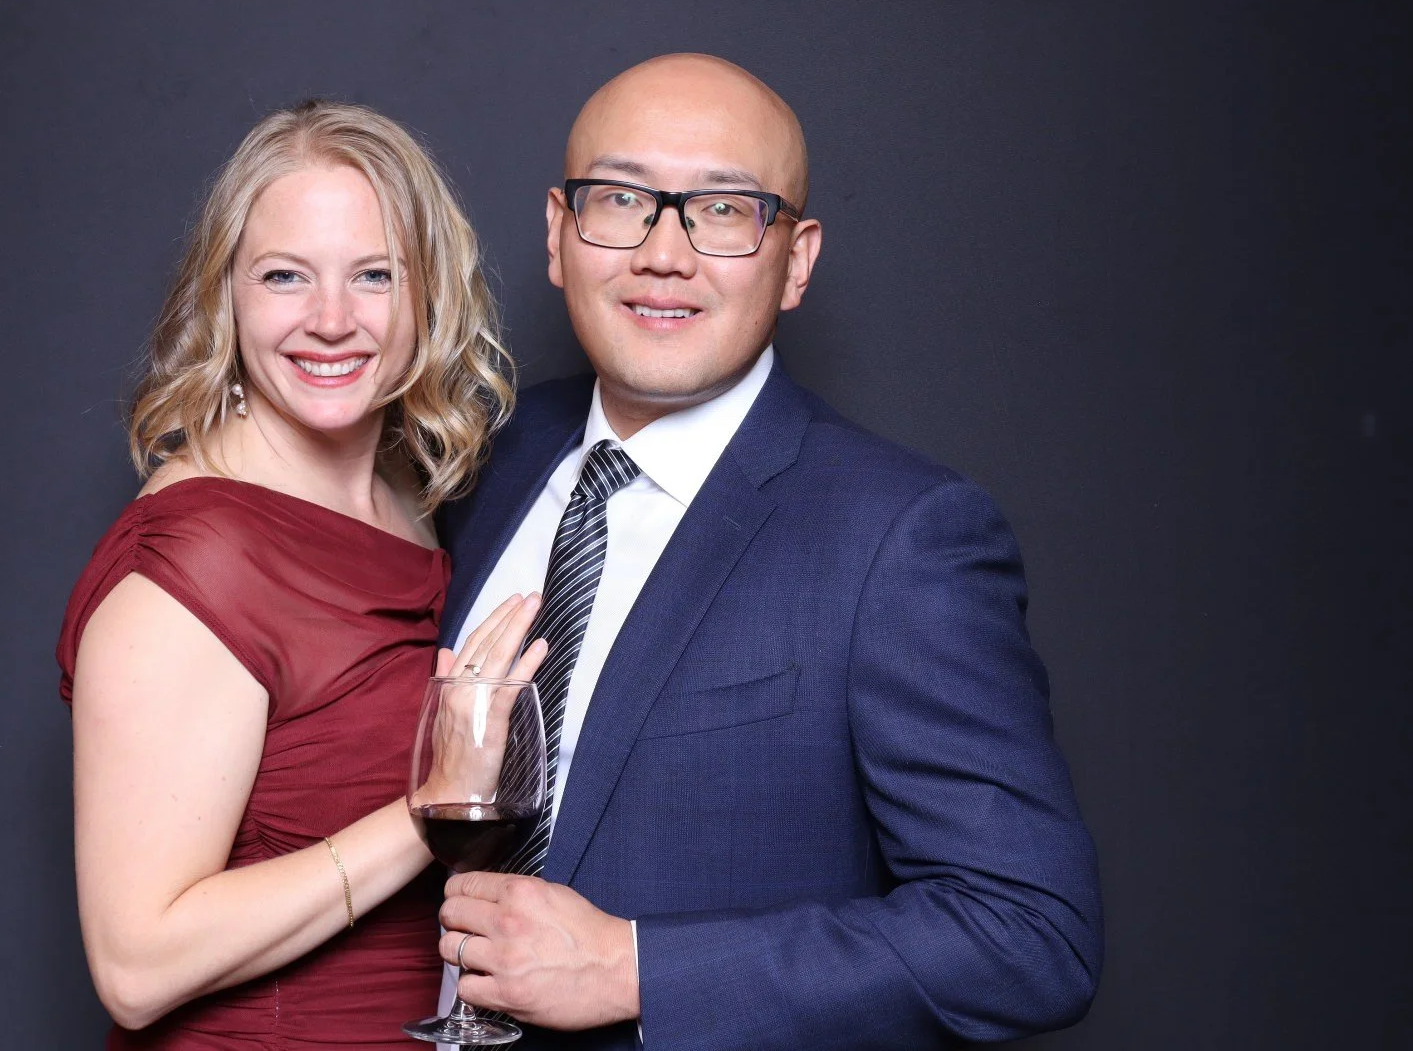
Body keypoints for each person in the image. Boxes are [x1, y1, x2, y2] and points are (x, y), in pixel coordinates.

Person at [430, 55, 1104, 1049]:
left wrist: (638, 969)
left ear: (796, 260)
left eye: (724, 211)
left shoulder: (901, 537)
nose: (665, 253)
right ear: (557, 236)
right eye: (621, 200)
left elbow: (1030, 934)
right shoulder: (482, 460)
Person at [55, 100, 548, 1049]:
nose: (331, 321)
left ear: (428, 298)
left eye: (374, 276)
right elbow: (134, 965)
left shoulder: (405, 497)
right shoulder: (196, 561)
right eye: (285, 277)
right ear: (226, 296)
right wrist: (432, 810)